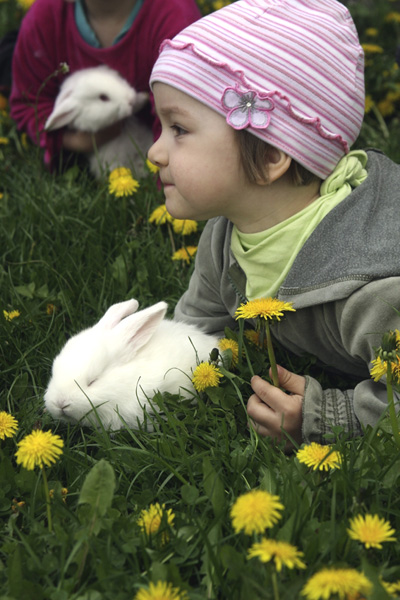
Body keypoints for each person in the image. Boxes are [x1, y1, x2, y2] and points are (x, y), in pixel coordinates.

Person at [147, 0, 400, 449]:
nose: (154, 152)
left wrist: (329, 418)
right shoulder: (226, 234)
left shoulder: (370, 287)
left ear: (269, 157)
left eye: (179, 129)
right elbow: (197, 328)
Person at [9, 0, 201, 168]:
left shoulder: (174, 18)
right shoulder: (44, 18)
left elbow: (183, 119)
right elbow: (29, 103)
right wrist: (75, 141)